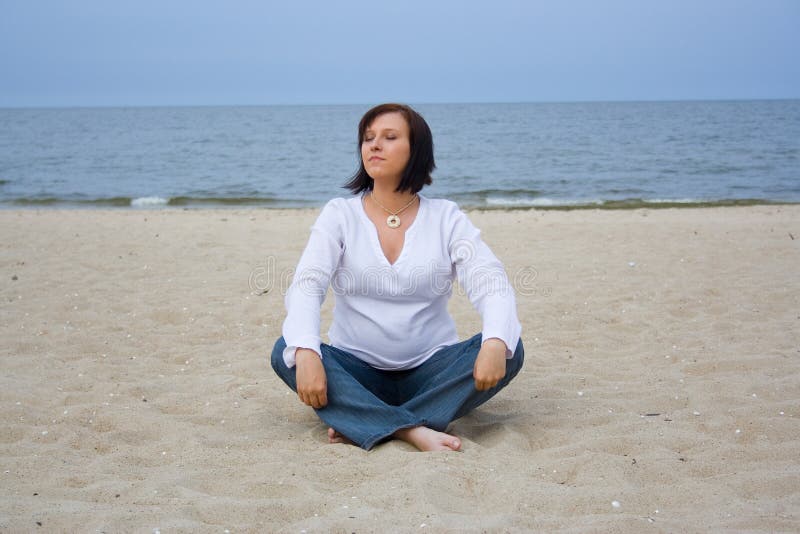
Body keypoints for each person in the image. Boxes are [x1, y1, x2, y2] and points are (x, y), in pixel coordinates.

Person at [270, 103, 523, 451]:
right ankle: (411, 429)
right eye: (368, 138)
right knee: (288, 349)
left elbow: (490, 281)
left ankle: (365, 422)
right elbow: (307, 284)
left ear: (416, 149)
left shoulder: (445, 217)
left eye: (389, 137)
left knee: (510, 347)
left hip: (432, 373)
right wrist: (308, 352)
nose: (374, 145)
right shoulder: (340, 214)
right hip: (356, 373)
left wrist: (495, 342)